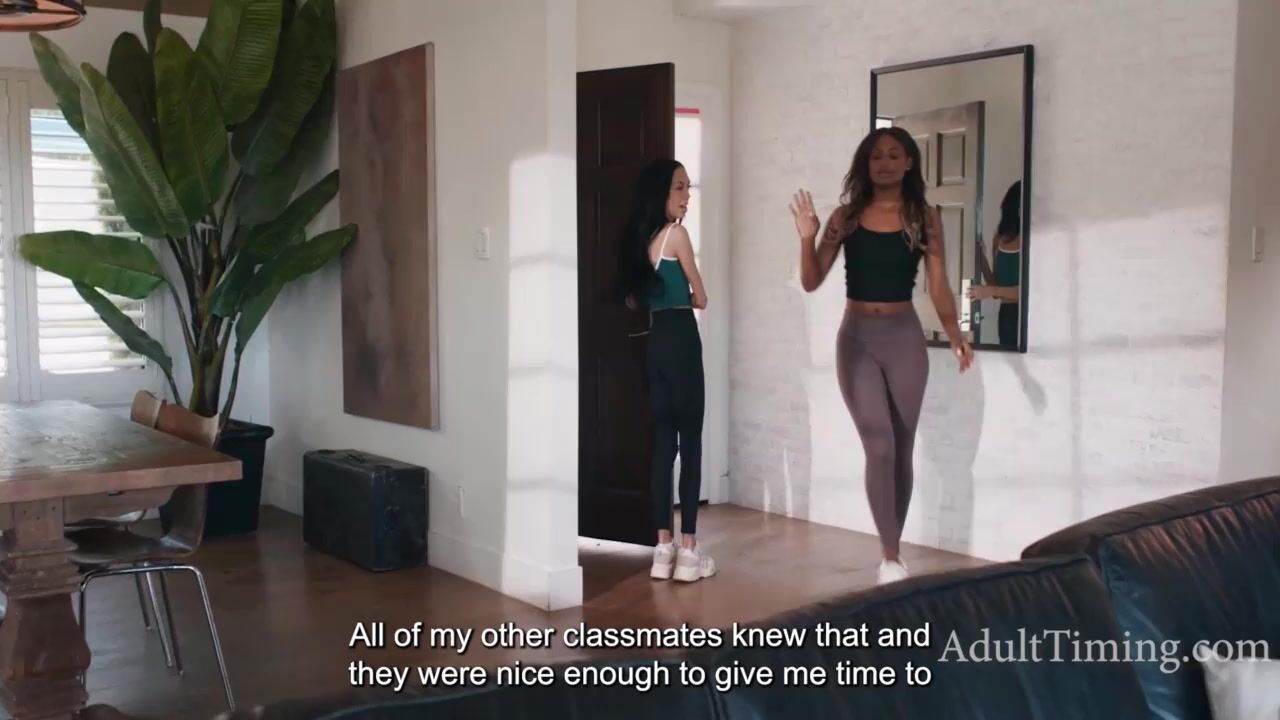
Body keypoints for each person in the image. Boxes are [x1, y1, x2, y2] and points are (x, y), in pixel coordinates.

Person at [790, 127, 973, 585]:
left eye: (894, 155)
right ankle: (890, 556)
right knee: (879, 444)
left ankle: (893, 552)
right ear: (865, 164)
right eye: (876, 156)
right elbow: (811, 281)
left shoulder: (923, 218)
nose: (885, 163)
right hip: (857, 340)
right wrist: (807, 237)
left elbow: (937, 283)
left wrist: (955, 333)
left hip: (904, 338)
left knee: (902, 448)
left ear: (909, 162)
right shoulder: (846, 217)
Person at [617, 158, 716, 583]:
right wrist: (690, 295)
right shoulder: (677, 235)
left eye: (688, 187)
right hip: (681, 338)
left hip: (654, 343)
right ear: (661, 192)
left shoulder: (639, 245)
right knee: (690, 442)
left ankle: (662, 549)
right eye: (680, 187)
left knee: (663, 445)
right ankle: (689, 553)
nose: (687, 195)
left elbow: (633, 301)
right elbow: (701, 296)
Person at [970, 181, 1022, 350]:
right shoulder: (999, 239)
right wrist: (981, 259)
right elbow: (995, 288)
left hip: (1029, 315)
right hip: (1007, 316)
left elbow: (1028, 292)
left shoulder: (1034, 239)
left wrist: (990, 291)